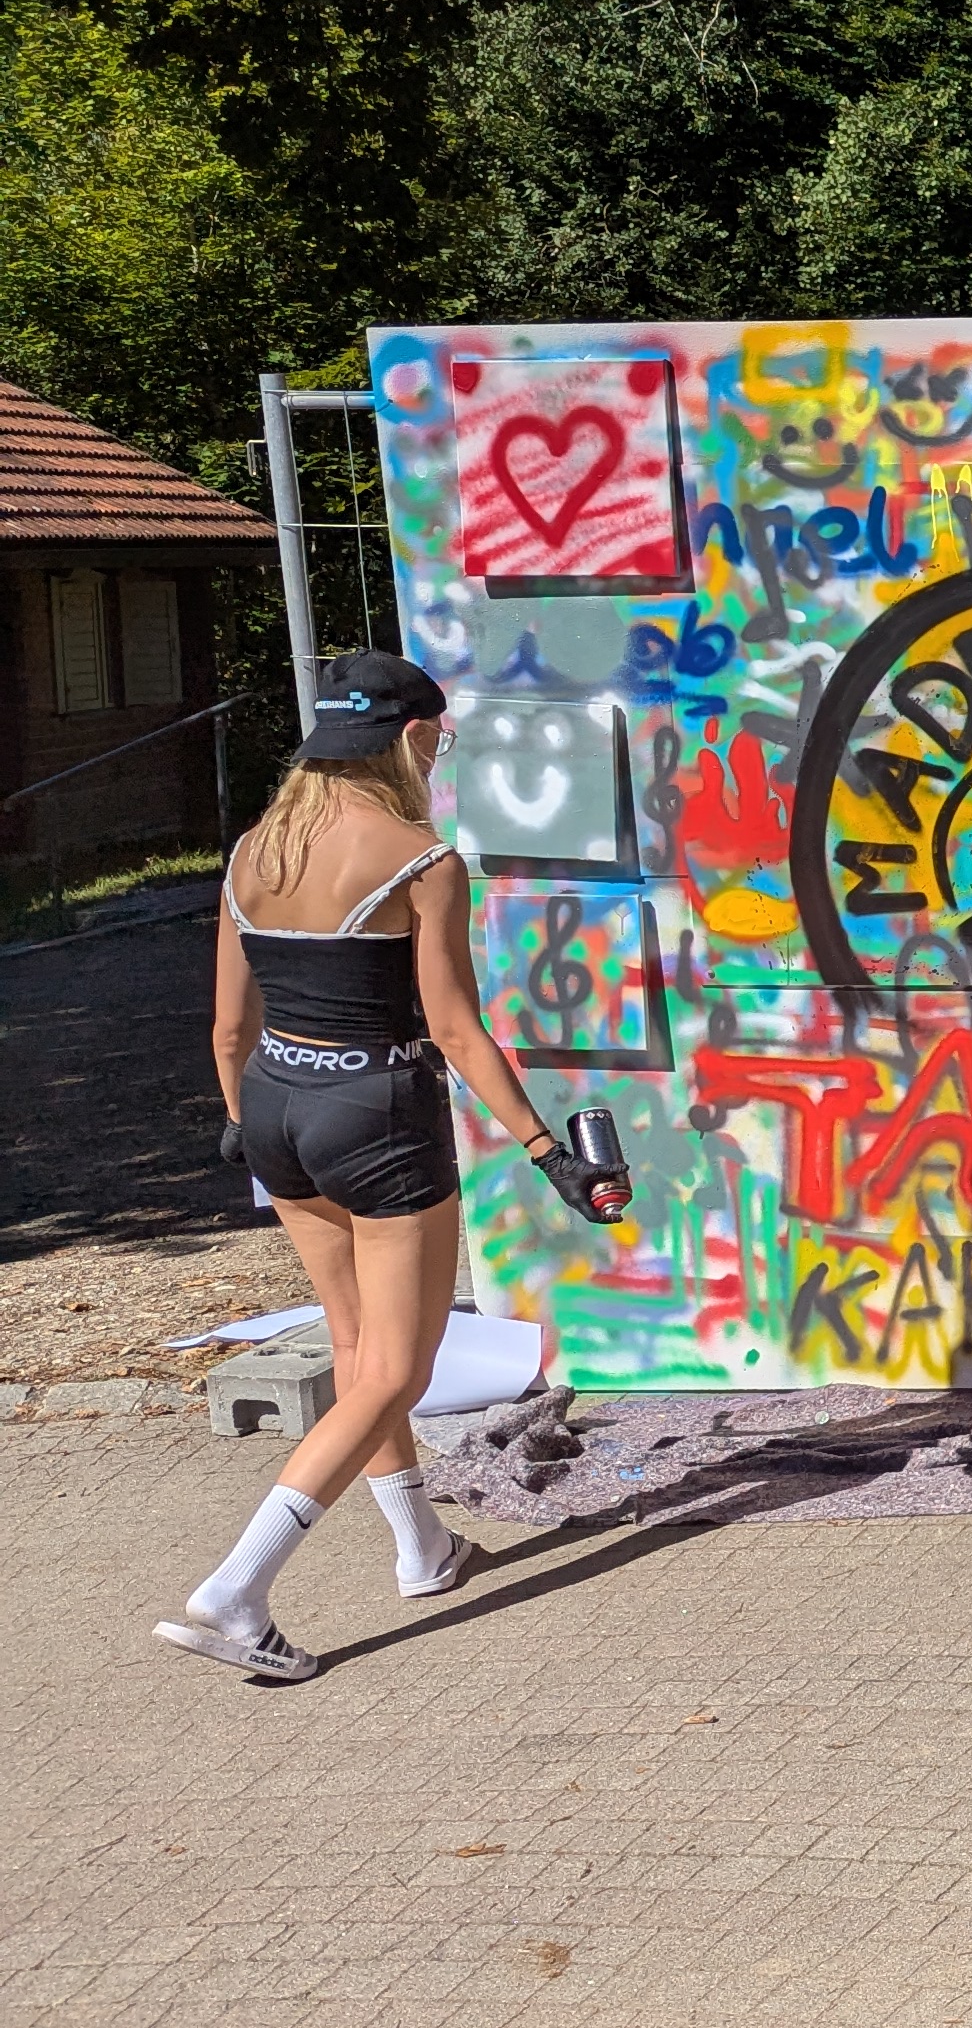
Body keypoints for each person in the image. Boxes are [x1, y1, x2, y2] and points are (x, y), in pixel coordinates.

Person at [161, 651, 617, 1681]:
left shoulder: (250, 854)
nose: (439, 756)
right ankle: (235, 1592)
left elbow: (229, 1028)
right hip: (378, 1118)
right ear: (410, 737)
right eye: (438, 741)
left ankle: (423, 1550)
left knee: (358, 1348)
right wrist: (546, 1150)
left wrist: (242, 1125)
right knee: (397, 1370)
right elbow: (455, 1030)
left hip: (275, 1107)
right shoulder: (423, 861)